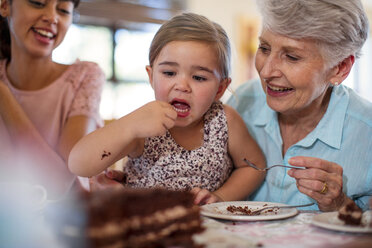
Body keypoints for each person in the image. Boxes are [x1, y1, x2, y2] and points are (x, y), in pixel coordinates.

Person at [69, 13, 266, 205]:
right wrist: (128, 126)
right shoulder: (142, 126)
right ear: (151, 76)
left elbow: (254, 167)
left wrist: (221, 197)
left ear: (220, 88)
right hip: (147, 230)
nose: (182, 85)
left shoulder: (225, 121)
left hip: (210, 232)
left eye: (199, 77)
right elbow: (79, 164)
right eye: (169, 73)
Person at [228, 0, 372, 211]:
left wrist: (340, 204)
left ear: (340, 68)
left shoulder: (367, 133)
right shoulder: (242, 100)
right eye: (265, 48)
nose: (266, 72)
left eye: (292, 57)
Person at [0, 0, 105, 199]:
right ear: (5, 5)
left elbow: (56, 185)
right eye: (38, 3)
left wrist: (3, 94)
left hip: (65, 223)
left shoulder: (86, 77)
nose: (52, 17)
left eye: (63, 10)